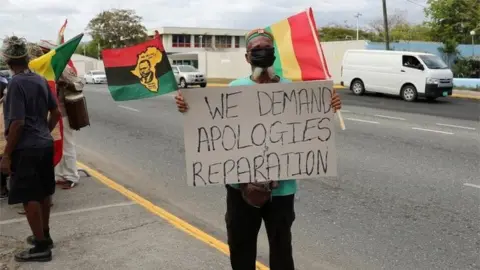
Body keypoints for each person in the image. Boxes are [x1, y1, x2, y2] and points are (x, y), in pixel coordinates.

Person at [175, 29, 342, 270]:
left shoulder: (291, 89)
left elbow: (308, 124)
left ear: (274, 54)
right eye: (257, 49)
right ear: (247, 57)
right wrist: (187, 107)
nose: (263, 53)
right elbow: (214, 125)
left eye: (268, 48)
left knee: (282, 248)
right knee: (241, 247)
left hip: (281, 189)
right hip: (240, 188)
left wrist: (330, 105)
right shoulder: (234, 88)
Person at [0, 36, 61, 262]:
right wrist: (44, 132)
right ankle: (44, 235)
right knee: (44, 192)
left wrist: (6, 155)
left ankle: (41, 248)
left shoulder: (15, 84)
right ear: (26, 57)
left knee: (29, 196)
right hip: (44, 144)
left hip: (26, 149)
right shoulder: (39, 79)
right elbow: (55, 112)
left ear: (7, 59)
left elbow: (17, 123)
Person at [38, 40, 84, 189]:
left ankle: (71, 176)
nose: (41, 53)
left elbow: (79, 83)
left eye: (44, 51)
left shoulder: (62, 67)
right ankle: (59, 175)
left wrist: (65, 84)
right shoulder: (42, 67)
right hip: (48, 113)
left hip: (63, 112)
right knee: (54, 144)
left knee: (67, 145)